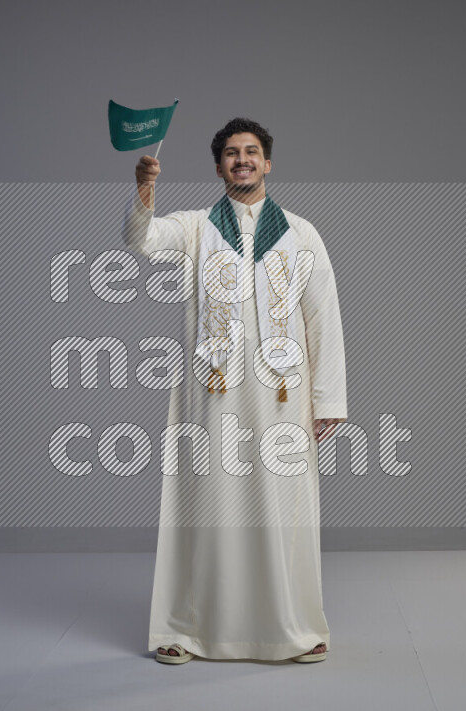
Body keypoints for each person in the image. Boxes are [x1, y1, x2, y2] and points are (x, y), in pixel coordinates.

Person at [121, 117, 347, 664]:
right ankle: (188, 630)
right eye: (230, 153)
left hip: (282, 395)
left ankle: (290, 628)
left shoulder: (300, 232)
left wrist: (329, 400)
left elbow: (323, 315)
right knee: (205, 507)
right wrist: (145, 191)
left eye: (251, 152)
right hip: (211, 392)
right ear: (219, 166)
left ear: (267, 163)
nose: (241, 160)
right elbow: (142, 240)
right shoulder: (198, 226)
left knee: (282, 510)